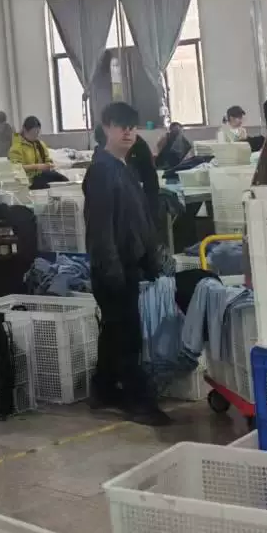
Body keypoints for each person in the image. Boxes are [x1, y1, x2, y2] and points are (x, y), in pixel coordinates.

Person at [83, 101, 170, 426]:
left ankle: (103, 390)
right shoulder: (101, 171)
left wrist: (150, 258)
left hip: (128, 263)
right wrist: (112, 269)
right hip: (113, 267)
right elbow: (100, 228)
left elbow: (139, 219)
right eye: (121, 126)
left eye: (132, 127)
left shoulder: (125, 168)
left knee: (114, 329)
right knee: (128, 335)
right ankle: (138, 402)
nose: (128, 132)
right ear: (106, 127)